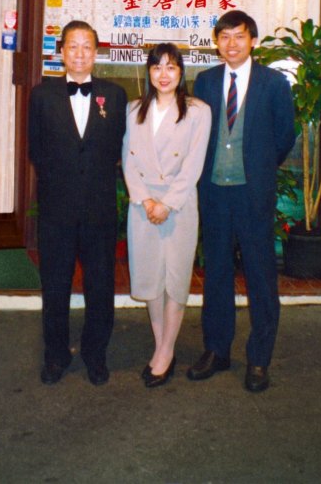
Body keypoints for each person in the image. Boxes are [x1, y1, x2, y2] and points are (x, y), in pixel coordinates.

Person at [186, 10, 295, 393]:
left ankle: (259, 359)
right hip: (214, 192)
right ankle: (217, 350)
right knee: (215, 273)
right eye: (224, 36)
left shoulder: (274, 83)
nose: (231, 43)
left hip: (253, 195)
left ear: (252, 40)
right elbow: (196, 135)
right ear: (216, 41)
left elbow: (284, 137)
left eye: (239, 36)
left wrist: (259, 169)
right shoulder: (205, 82)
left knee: (261, 277)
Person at [28, 20, 127, 386]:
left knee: (101, 284)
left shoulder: (114, 95)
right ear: (62, 52)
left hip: (99, 208)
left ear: (96, 52)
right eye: (73, 46)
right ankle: (55, 355)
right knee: (55, 284)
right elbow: (36, 150)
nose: (80, 53)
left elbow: (116, 149)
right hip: (57, 210)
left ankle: (95, 354)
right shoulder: (41, 95)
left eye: (87, 46)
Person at [122, 43, 211, 388]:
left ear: (181, 73)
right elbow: (128, 161)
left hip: (179, 204)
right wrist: (145, 201)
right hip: (143, 207)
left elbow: (193, 165)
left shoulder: (197, 111)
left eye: (171, 68)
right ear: (148, 72)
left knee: (174, 278)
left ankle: (166, 350)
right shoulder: (133, 111)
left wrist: (167, 204)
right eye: (157, 67)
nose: (163, 75)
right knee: (149, 277)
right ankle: (162, 346)